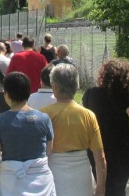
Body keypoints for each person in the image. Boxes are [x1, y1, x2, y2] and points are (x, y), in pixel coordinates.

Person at [83, 58, 129, 196]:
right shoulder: (127, 97)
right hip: (121, 151)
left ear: (104, 74)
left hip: (97, 149)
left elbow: (84, 119)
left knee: (101, 187)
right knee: (117, 189)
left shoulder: (91, 94)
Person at [0, 72, 56, 196]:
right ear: (28, 92)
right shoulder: (44, 119)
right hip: (42, 183)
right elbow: (48, 153)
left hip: (10, 185)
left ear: (6, 94)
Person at [41, 63, 106, 196]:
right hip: (82, 175)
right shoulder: (88, 115)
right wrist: (100, 189)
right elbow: (100, 159)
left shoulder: (44, 115)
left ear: (54, 87)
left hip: (53, 173)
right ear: (76, 86)